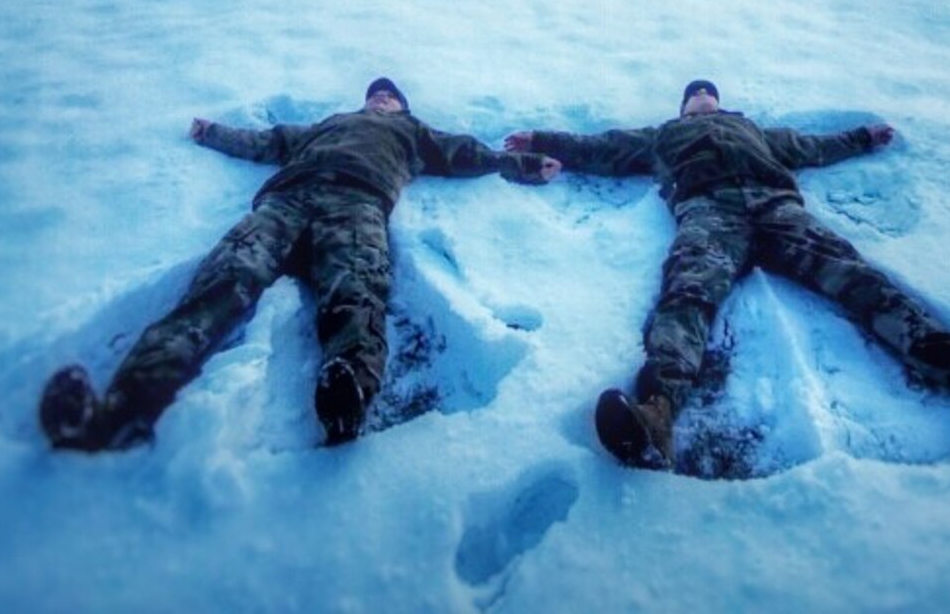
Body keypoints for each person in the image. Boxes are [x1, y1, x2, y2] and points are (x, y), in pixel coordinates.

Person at [505, 79, 950, 470]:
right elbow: (603, 148)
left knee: (861, 282)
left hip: (779, 208)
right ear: (683, 109)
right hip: (709, 212)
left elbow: (810, 146)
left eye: (708, 92)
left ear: (719, 101)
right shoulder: (663, 136)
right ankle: (656, 414)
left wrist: (860, 138)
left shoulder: (757, 131)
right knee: (687, 295)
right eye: (693, 95)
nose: (702, 98)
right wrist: (544, 141)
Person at [41, 77, 561, 451]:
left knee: (356, 291)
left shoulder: (414, 132)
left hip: (356, 205)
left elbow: (469, 153)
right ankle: (120, 406)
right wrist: (211, 133)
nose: (381, 99)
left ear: (400, 107)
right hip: (283, 204)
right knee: (222, 284)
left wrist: (526, 165)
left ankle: (348, 395)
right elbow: (267, 142)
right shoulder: (327, 125)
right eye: (375, 94)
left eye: (390, 96)